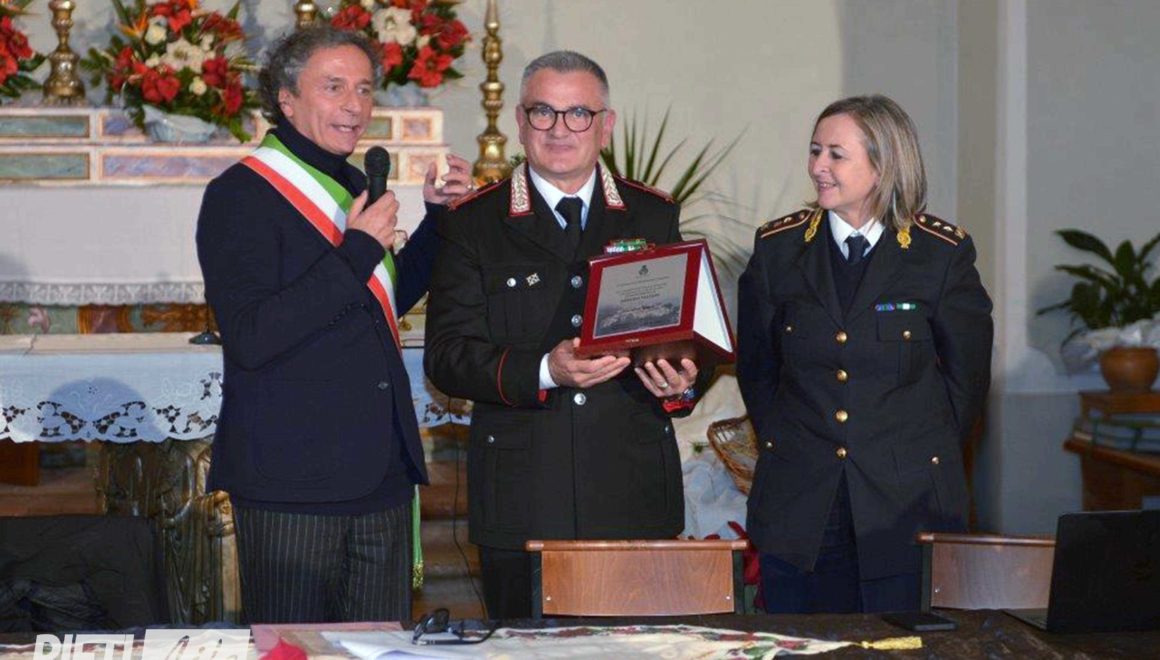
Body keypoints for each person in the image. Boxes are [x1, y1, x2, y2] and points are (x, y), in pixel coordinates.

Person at [195, 26, 472, 623]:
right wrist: (357, 250)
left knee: (380, 649)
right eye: (334, 87)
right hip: (293, 478)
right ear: (287, 98)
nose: (354, 105)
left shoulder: (351, 184)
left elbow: (379, 302)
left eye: (365, 89)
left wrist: (439, 220)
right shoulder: (240, 195)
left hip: (379, 469)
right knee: (296, 648)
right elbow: (252, 335)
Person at [423, 50, 709, 619]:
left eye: (578, 113)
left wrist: (681, 381)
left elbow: (689, 340)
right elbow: (448, 357)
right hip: (524, 495)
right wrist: (545, 370)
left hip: (630, 489)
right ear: (519, 122)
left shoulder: (652, 215)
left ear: (606, 125)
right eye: (543, 112)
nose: (559, 129)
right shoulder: (474, 221)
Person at [736, 95, 993, 614]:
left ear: (883, 164)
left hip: (905, 506)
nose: (818, 167)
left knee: (901, 644)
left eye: (836, 154)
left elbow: (965, 386)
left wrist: (910, 455)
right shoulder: (779, 249)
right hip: (800, 505)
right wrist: (792, 445)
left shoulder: (939, 255)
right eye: (815, 151)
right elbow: (758, 372)